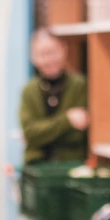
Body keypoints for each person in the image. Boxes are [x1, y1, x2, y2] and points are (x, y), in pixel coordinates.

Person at [20, 30, 89, 164]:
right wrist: (67, 120)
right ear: (33, 57)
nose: (49, 59)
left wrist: (44, 132)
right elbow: (30, 133)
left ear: (64, 50)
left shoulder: (80, 85)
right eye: (42, 54)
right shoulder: (29, 90)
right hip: (36, 165)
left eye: (53, 52)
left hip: (72, 164)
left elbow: (79, 134)